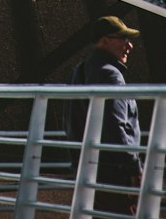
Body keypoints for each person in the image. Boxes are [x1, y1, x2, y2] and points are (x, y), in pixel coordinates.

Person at [66, 14, 143, 214]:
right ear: (105, 41)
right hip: (114, 174)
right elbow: (115, 127)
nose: (129, 45)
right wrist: (135, 169)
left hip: (86, 169)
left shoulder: (80, 70)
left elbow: (73, 122)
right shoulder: (110, 75)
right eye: (123, 39)